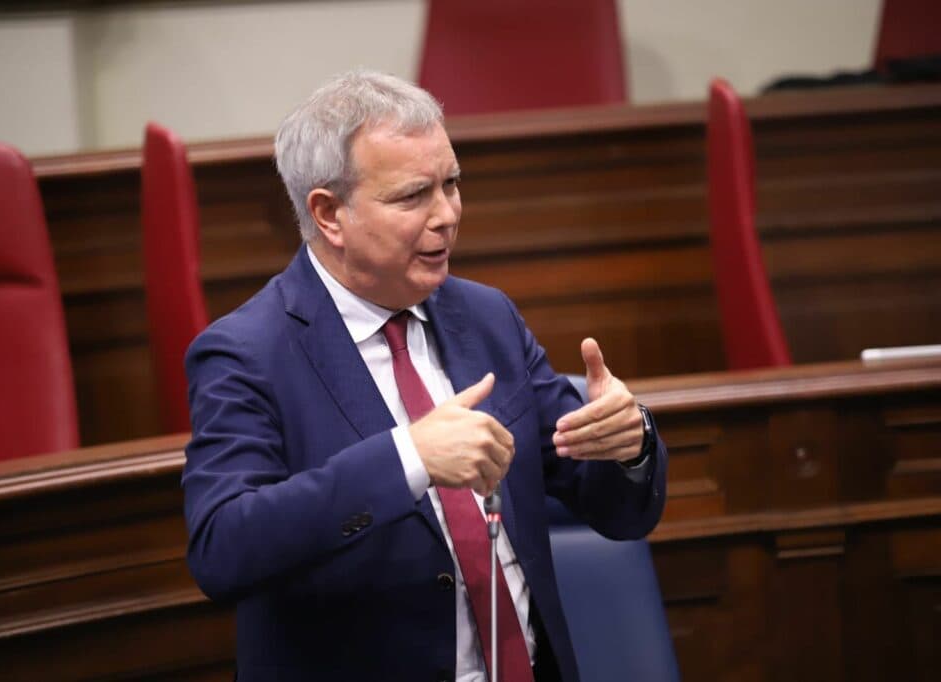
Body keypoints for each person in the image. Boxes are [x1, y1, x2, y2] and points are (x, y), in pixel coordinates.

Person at [182, 69, 667, 682]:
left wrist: (629, 446)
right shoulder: (246, 353)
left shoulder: (487, 317)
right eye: (414, 196)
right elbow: (223, 549)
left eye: (452, 184)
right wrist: (407, 458)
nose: (447, 215)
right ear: (329, 214)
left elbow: (617, 511)